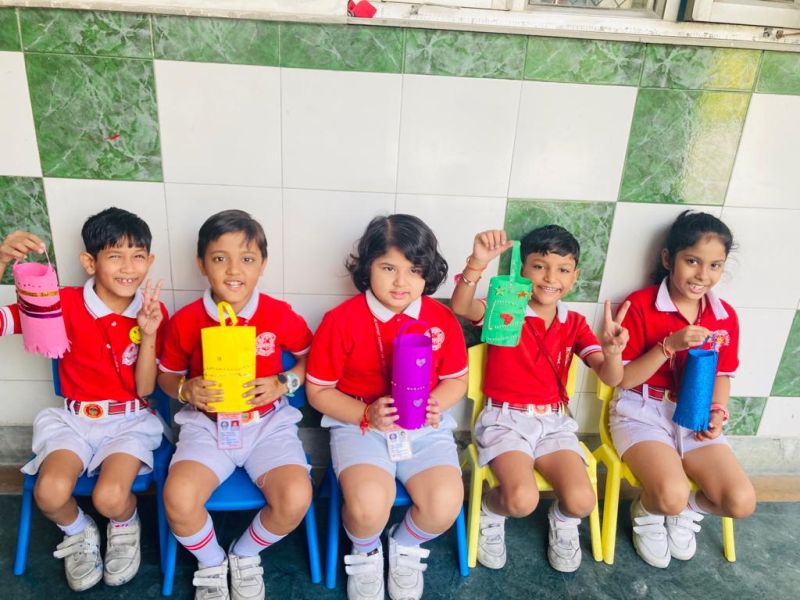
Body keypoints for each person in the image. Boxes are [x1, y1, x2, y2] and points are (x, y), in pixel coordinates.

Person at [0, 208, 167, 591]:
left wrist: (149, 333)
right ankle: (79, 530)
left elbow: (145, 389)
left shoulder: (152, 311)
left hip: (130, 422)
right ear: (89, 262)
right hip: (74, 421)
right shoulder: (59, 303)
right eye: (115, 256)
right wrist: (2, 260)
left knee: (111, 497)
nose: (129, 267)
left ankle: (124, 526)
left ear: (150, 260)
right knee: (49, 493)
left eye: (138, 256)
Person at [306, 214, 467, 600]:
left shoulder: (440, 318)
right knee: (367, 507)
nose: (400, 282)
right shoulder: (340, 321)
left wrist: (437, 403)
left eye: (414, 270)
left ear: (428, 273)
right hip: (359, 426)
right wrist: (366, 415)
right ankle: (365, 551)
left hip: (423, 427)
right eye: (388, 268)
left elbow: (457, 380)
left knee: (445, 504)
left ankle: (404, 544)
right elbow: (318, 392)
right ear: (367, 268)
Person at [450, 227, 628, 572]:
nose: (550, 277)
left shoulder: (574, 323)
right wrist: (477, 263)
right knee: (521, 500)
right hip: (505, 421)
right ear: (522, 269)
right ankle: (490, 512)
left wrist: (613, 353)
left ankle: (562, 522)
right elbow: (461, 306)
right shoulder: (507, 305)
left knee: (582, 501)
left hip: (553, 423)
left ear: (574, 276)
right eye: (539, 266)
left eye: (563, 269)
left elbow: (611, 377)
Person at [158, 209, 313, 600]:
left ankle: (244, 554)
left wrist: (284, 382)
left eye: (246, 258)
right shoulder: (186, 320)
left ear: (262, 264)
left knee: (295, 498)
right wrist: (185, 390)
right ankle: (211, 561)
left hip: (267, 425)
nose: (233, 270)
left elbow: (310, 358)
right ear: (201, 264)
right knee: (178, 499)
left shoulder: (278, 314)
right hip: (207, 426)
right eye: (219, 258)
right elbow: (165, 376)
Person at [614, 210, 756, 568]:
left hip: (694, 414)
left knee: (741, 501)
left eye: (714, 265)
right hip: (641, 412)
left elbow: (722, 374)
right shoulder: (640, 305)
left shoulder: (724, 316)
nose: (702, 275)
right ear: (668, 259)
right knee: (670, 494)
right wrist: (668, 346)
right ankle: (650, 510)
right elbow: (623, 379)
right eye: (692, 261)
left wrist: (717, 411)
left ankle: (686, 510)